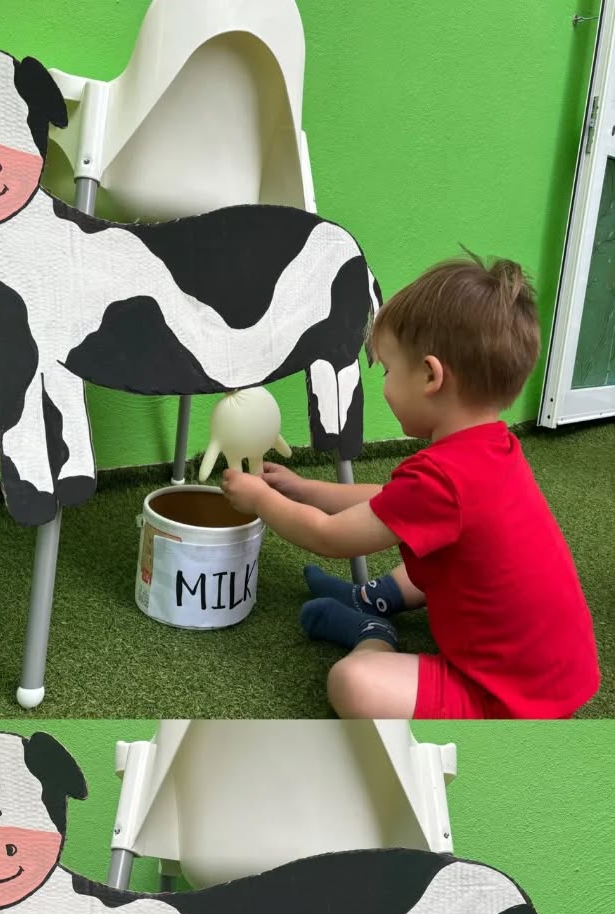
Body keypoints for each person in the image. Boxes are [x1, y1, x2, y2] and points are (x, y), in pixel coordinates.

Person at [220, 253, 599, 719]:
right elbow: (390, 504)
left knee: (352, 684)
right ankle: (370, 597)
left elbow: (328, 537)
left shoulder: (444, 477)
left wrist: (259, 498)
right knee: (434, 549)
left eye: (387, 370)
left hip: (509, 697)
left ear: (430, 376)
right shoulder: (491, 447)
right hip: (558, 668)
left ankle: (374, 634)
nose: (383, 385)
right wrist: (302, 488)